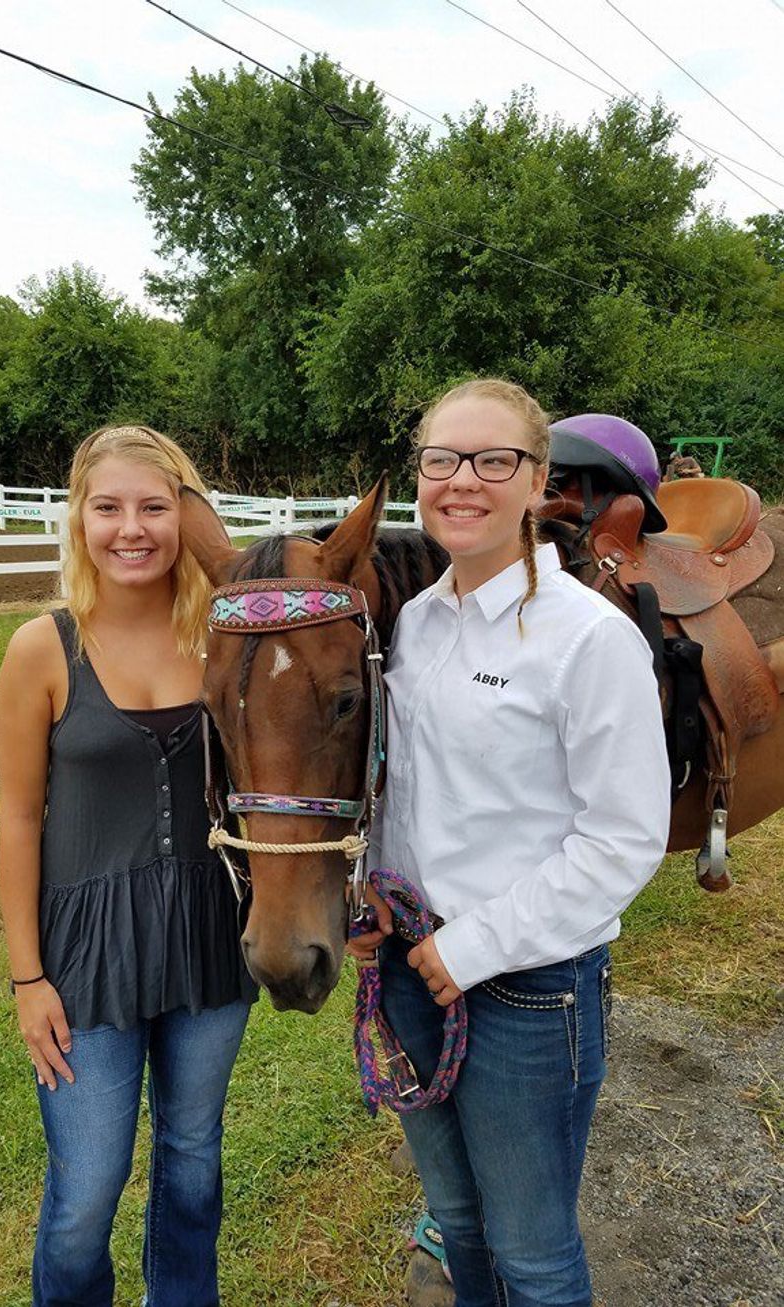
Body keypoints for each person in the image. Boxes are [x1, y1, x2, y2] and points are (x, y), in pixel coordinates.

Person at [349, 379, 670, 1307]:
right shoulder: (414, 622)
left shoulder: (587, 640)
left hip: (528, 989)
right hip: (414, 962)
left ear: (540, 485)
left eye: (495, 461)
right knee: (459, 1225)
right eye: (442, 460)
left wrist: (473, 946)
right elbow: (404, 792)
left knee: (531, 1252)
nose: (463, 481)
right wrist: (371, 891)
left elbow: (622, 840)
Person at [0, 424, 256, 1307]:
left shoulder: (224, 639)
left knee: (191, 1163)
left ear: (186, 519)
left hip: (207, 937)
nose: (131, 528)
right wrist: (28, 976)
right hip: (83, 958)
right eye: (108, 507)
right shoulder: (44, 647)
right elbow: (19, 818)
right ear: (80, 518)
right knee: (85, 1191)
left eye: (154, 506)